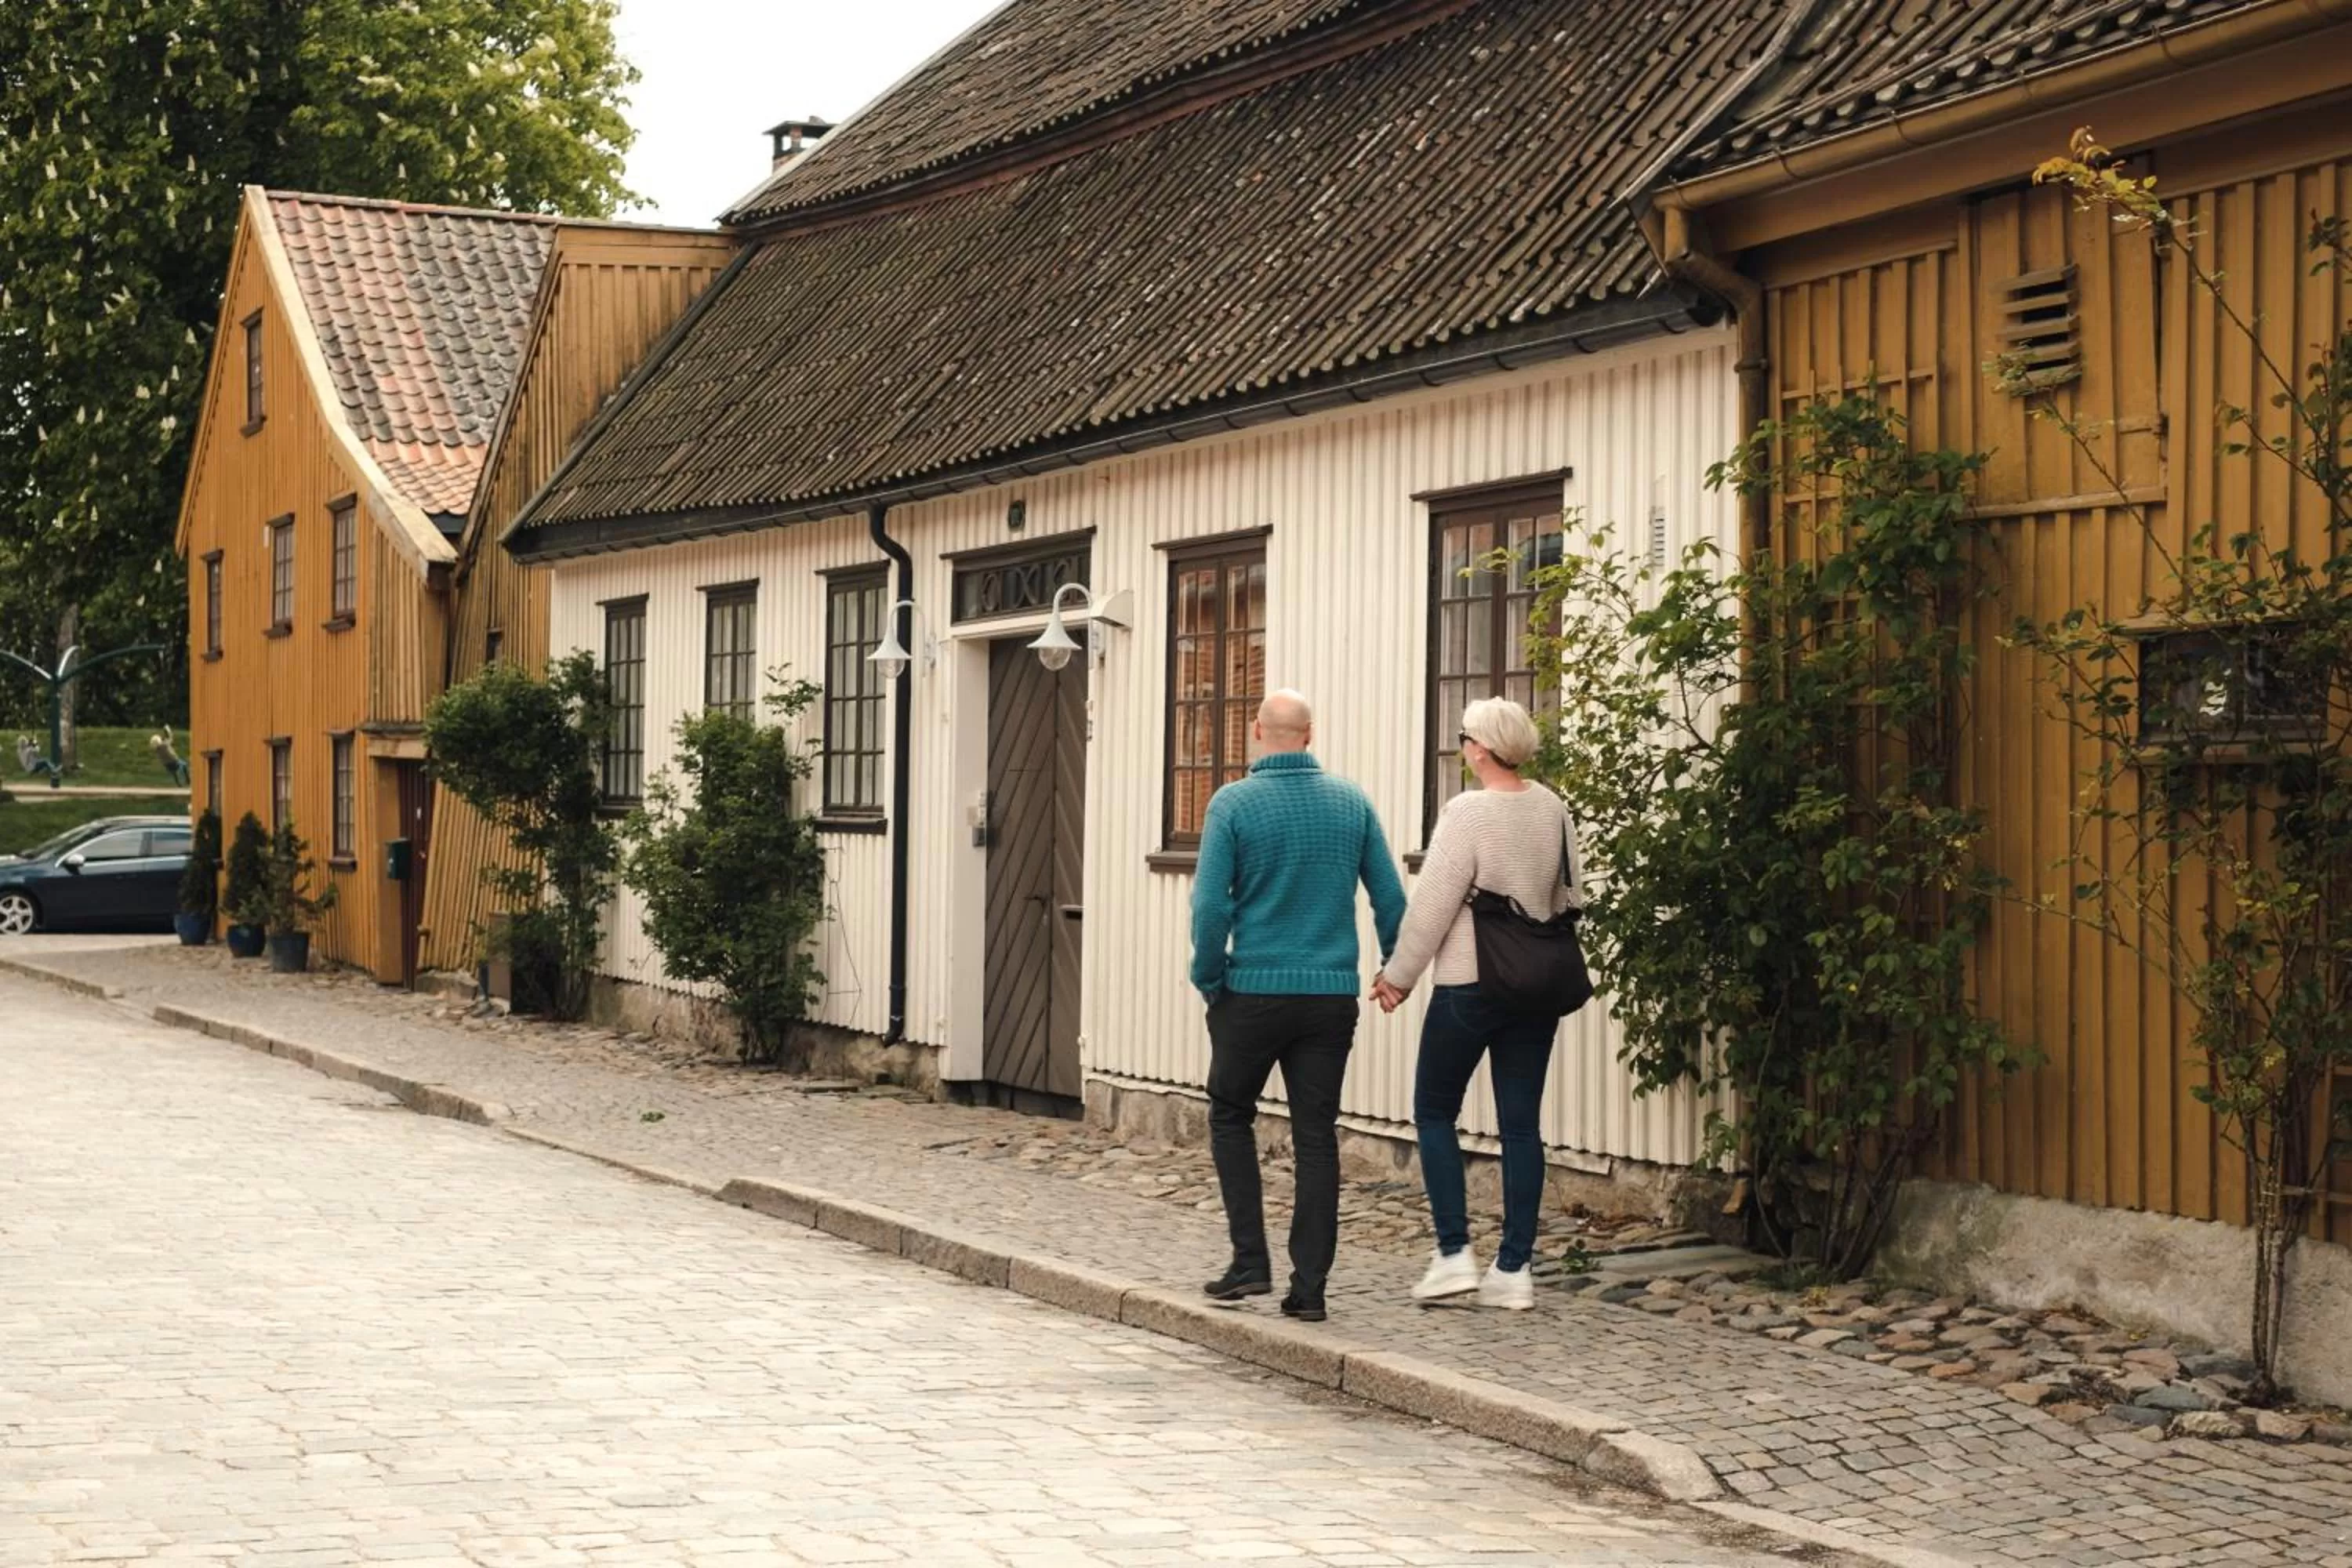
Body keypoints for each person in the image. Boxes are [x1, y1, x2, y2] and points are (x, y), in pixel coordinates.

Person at [1191, 689, 1407, 1323]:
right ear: (1309, 736)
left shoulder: (1231, 804)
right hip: (1328, 998)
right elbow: (1389, 898)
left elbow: (1210, 907)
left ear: (1257, 732)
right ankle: (1309, 1289)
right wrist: (1394, 968)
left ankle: (1249, 1261)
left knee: (1231, 1113)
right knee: (1317, 1137)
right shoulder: (1351, 803)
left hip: (1251, 993)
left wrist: (1209, 978)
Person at [1371, 696, 1581, 1312]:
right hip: (1536, 984)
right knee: (1521, 1123)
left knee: (1434, 1109)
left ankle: (1453, 1254)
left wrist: (1398, 976)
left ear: (1482, 748)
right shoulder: (1555, 810)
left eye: (1465, 737)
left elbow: (1434, 905)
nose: (1462, 745)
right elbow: (1572, 891)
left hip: (1470, 982)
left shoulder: (1467, 814)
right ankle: (1513, 1271)